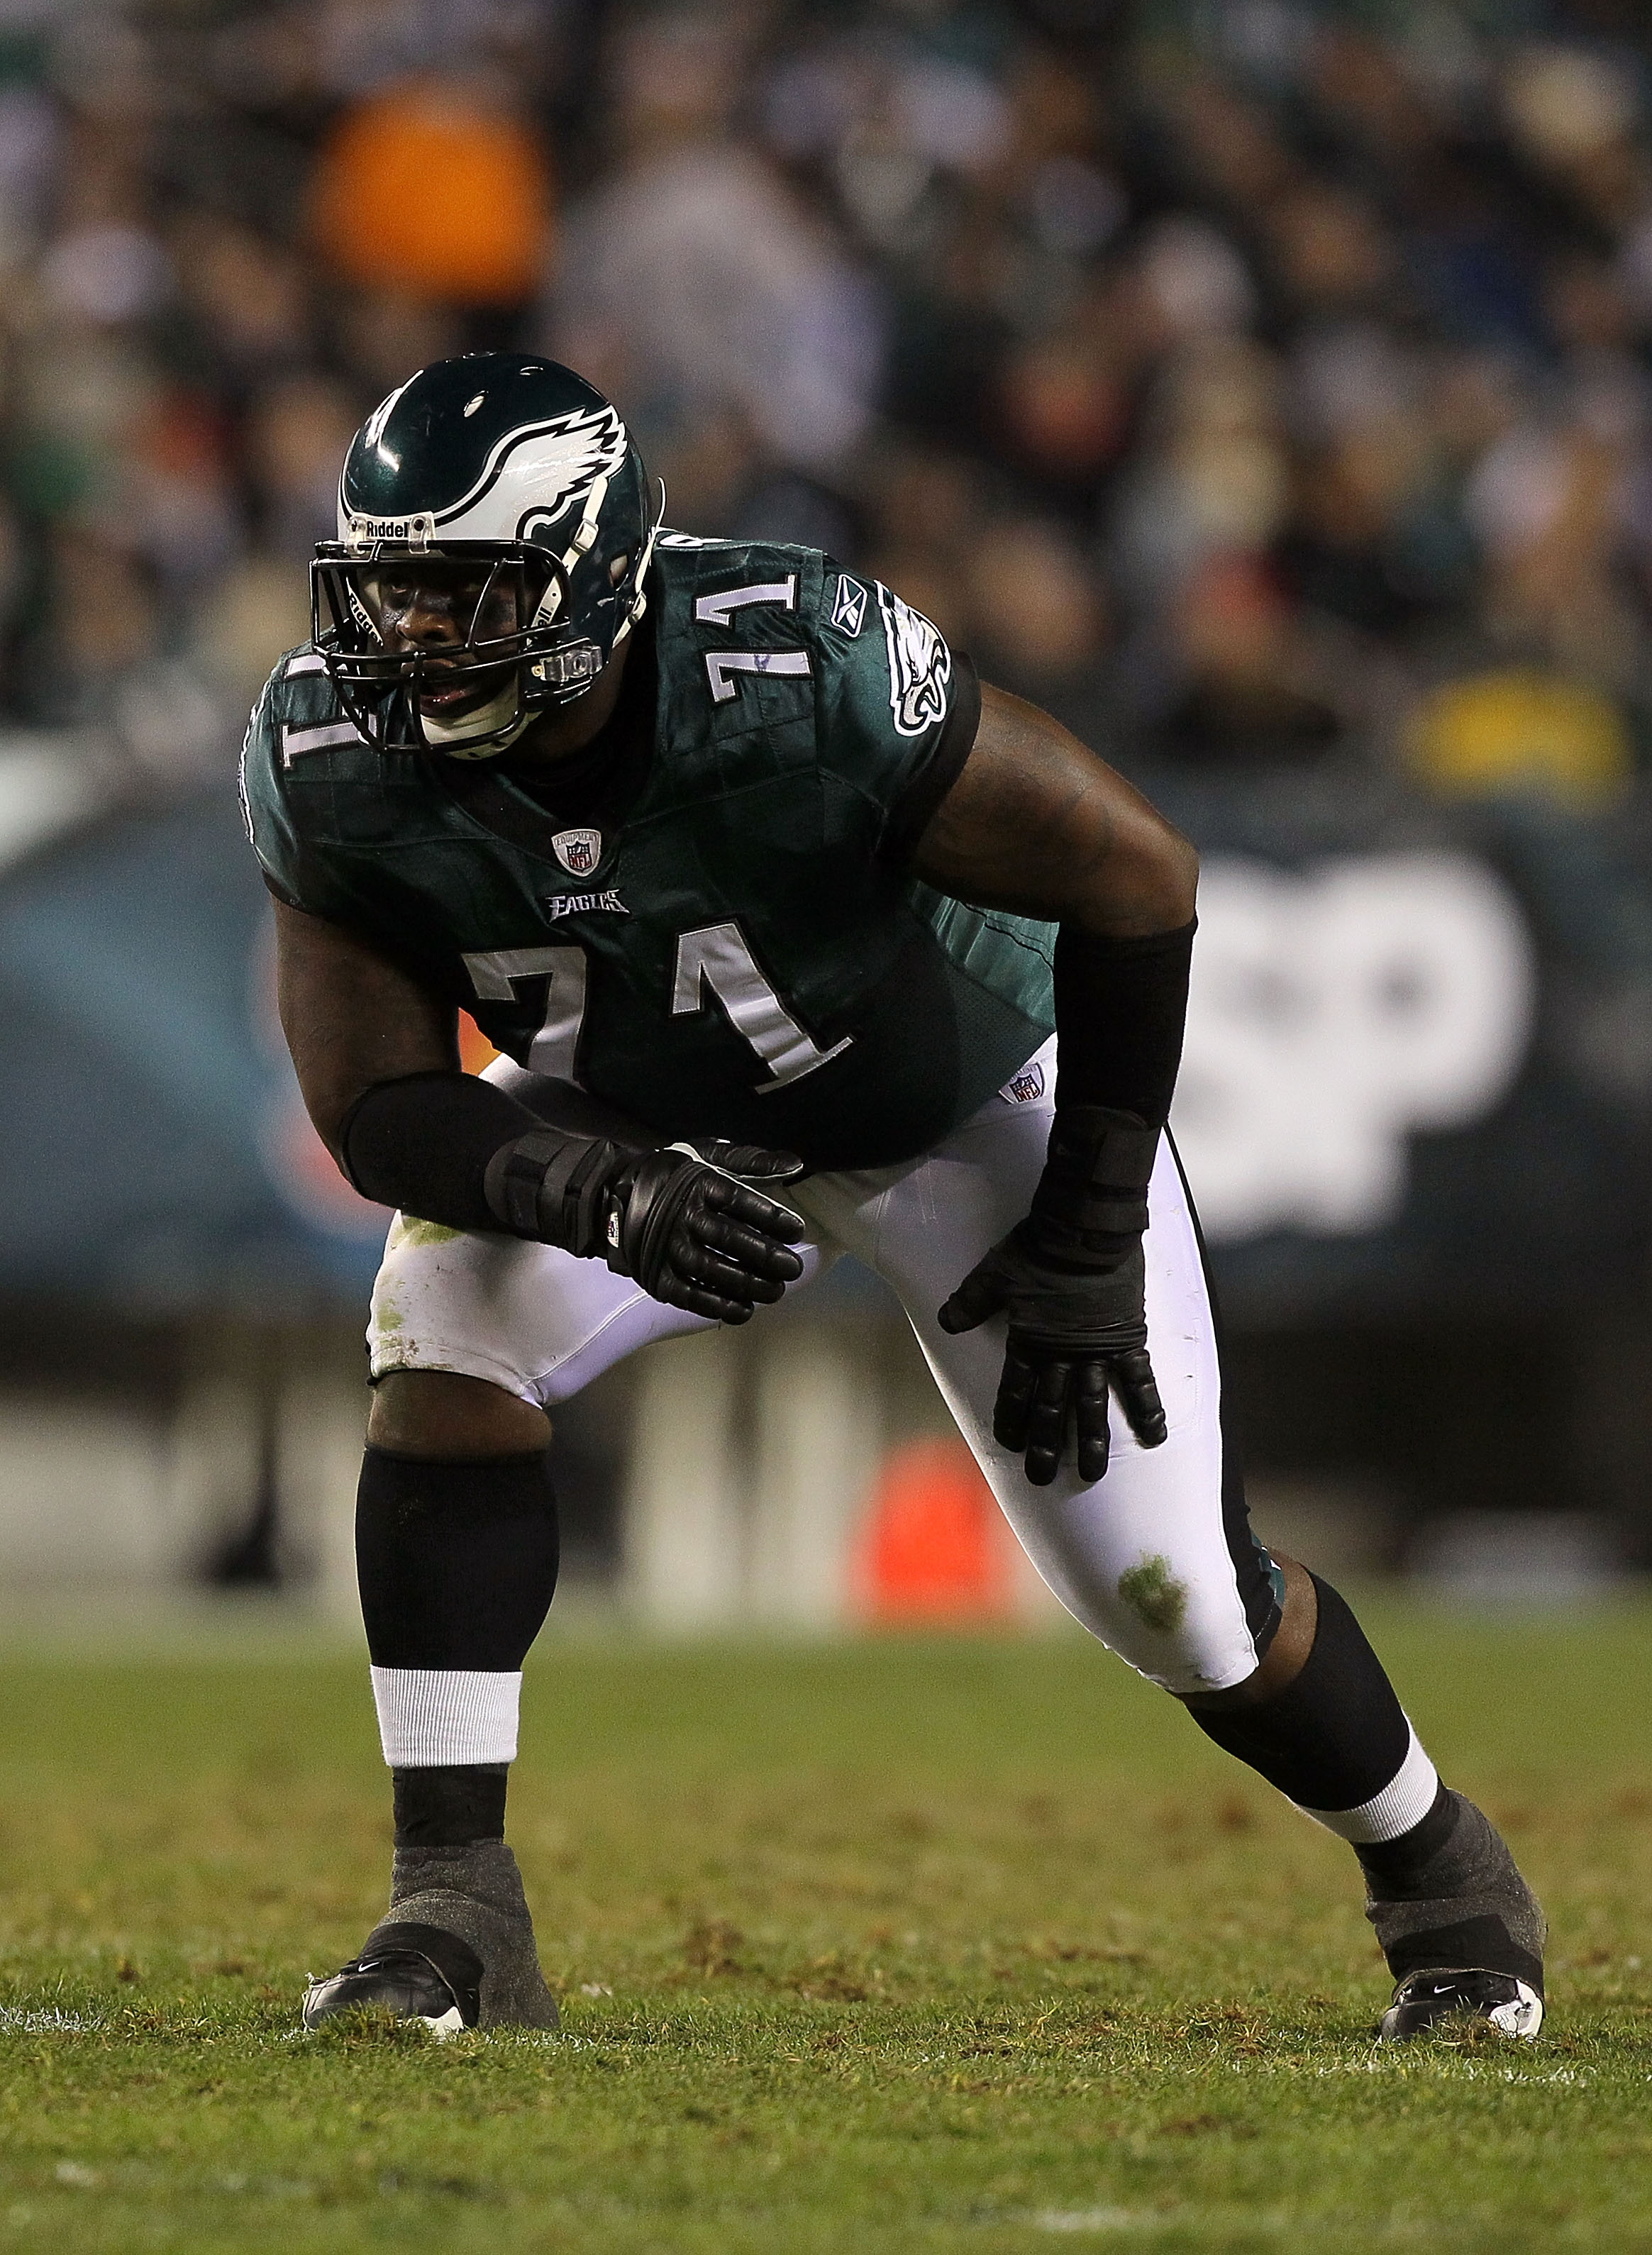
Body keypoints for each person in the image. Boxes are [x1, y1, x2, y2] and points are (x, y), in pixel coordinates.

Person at [242, 353, 1544, 2042]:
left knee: (1176, 1603)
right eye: (389, 591)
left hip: (954, 1096)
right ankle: (453, 1913)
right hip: (646, 1106)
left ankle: (1441, 1877)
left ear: (588, 576)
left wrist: (1089, 1227)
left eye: (465, 592)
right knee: (440, 1326)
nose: (411, 640)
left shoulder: (798, 666)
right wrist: (592, 1188)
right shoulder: (331, 746)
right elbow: (372, 1104)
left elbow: (1135, 873)